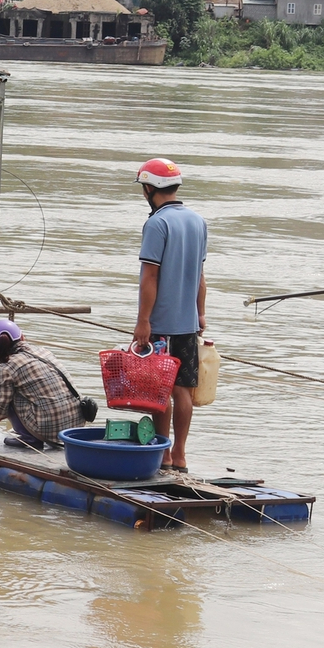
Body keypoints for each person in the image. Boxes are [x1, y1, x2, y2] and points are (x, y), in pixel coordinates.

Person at [130, 158, 208, 471]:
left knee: (159, 391)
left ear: (150, 188)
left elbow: (150, 276)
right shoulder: (197, 221)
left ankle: (162, 454)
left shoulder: (156, 224)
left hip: (161, 323)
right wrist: (200, 315)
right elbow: (201, 276)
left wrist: (143, 321)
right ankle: (181, 455)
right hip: (187, 323)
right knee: (183, 389)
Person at [0, 320, 87, 448]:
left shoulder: (6, 368)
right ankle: (31, 434)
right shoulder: (44, 352)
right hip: (75, 427)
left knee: (10, 394)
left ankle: (30, 438)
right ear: (22, 337)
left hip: (50, 431)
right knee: (23, 389)